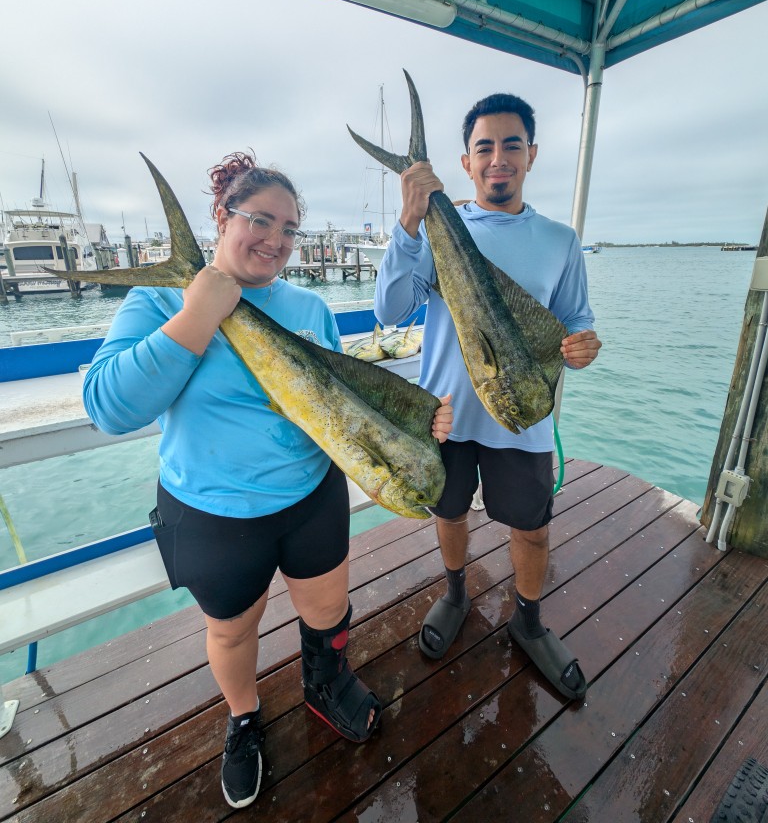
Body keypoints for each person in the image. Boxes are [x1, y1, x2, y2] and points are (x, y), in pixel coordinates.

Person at [83, 152, 453, 810]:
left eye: (289, 229)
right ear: (223, 217)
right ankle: (245, 719)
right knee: (231, 631)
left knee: (328, 611)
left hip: (310, 501)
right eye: (261, 220)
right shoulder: (162, 299)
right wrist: (198, 314)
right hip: (213, 513)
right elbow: (110, 408)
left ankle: (326, 683)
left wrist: (411, 425)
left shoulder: (308, 305)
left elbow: (334, 399)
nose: (276, 241)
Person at [373, 94, 602, 701]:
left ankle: (527, 621)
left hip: (521, 422)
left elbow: (575, 321)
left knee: (531, 527)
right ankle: (455, 594)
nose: (498, 158)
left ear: (531, 154)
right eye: (484, 147)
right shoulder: (435, 232)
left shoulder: (560, 240)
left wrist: (582, 347)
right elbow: (390, 310)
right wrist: (408, 221)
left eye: (510, 145)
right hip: (444, 417)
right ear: (466, 162)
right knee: (448, 512)